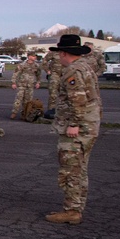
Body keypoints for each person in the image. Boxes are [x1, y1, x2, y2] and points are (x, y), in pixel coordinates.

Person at [46, 35, 102, 225]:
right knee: (80, 169)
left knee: (71, 170)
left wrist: (74, 124)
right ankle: (75, 207)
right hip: (89, 126)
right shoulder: (85, 67)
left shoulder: (73, 71)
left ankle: (72, 210)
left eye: (59, 54)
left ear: (63, 53)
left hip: (79, 129)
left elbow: (77, 99)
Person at [10, 53, 43, 119]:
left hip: (30, 85)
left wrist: (38, 83)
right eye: (33, 56)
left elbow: (38, 75)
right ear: (29, 56)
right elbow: (16, 73)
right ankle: (14, 112)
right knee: (18, 99)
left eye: (35, 56)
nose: (34, 57)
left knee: (28, 101)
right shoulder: (22, 65)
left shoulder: (36, 65)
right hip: (22, 84)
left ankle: (25, 114)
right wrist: (13, 83)